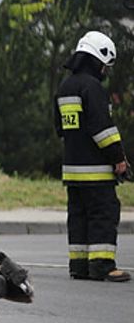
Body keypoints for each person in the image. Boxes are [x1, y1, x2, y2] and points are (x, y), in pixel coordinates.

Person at [55, 30, 130, 282]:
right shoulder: (93, 87)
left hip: (72, 170)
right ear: (97, 60)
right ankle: (101, 265)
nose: (105, 71)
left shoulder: (65, 87)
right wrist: (118, 158)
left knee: (78, 216)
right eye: (105, 66)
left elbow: (60, 129)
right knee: (103, 214)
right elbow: (102, 129)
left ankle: (79, 265)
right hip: (96, 171)